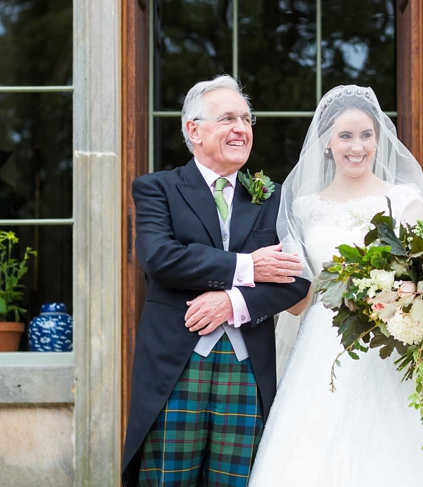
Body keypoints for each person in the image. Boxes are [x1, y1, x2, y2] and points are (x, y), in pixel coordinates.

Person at [248, 85, 423, 487]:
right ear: (326, 144)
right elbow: (299, 302)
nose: (357, 147)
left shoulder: (403, 201)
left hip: (389, 344)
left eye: (366, 135)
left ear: (379, 139)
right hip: (321, 346)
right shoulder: (304, 207)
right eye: (345, 136)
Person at [121, 75, 311, 486]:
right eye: (227, 119)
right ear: (194, 129)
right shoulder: (157, 189)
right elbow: (159, 258)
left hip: (247, 368)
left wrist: (234, 304)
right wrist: (247, 267)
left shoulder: (272, 197)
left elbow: (297, 280)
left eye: (246, 118)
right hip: (176, 365)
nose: (241, 129)